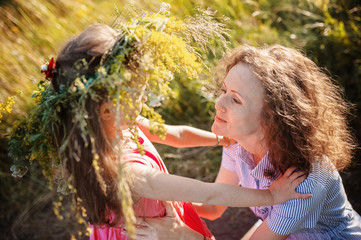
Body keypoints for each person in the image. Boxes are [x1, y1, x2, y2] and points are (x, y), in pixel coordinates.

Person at [44, 24, 311, 240]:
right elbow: (209, 193)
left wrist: (220, 138)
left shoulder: (117, 125)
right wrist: (272, 196)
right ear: (105, 109)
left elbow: (176, 135)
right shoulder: (129, 173)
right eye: (136, 93)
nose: (143, 98)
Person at [138, 44, 361, 239]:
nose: (218, 103)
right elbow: (213, 207)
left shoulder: (303, 183)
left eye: (235, 99)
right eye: (223, 90)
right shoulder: (236, 143)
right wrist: (156, 205)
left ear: (273, 118)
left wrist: (181, 235)